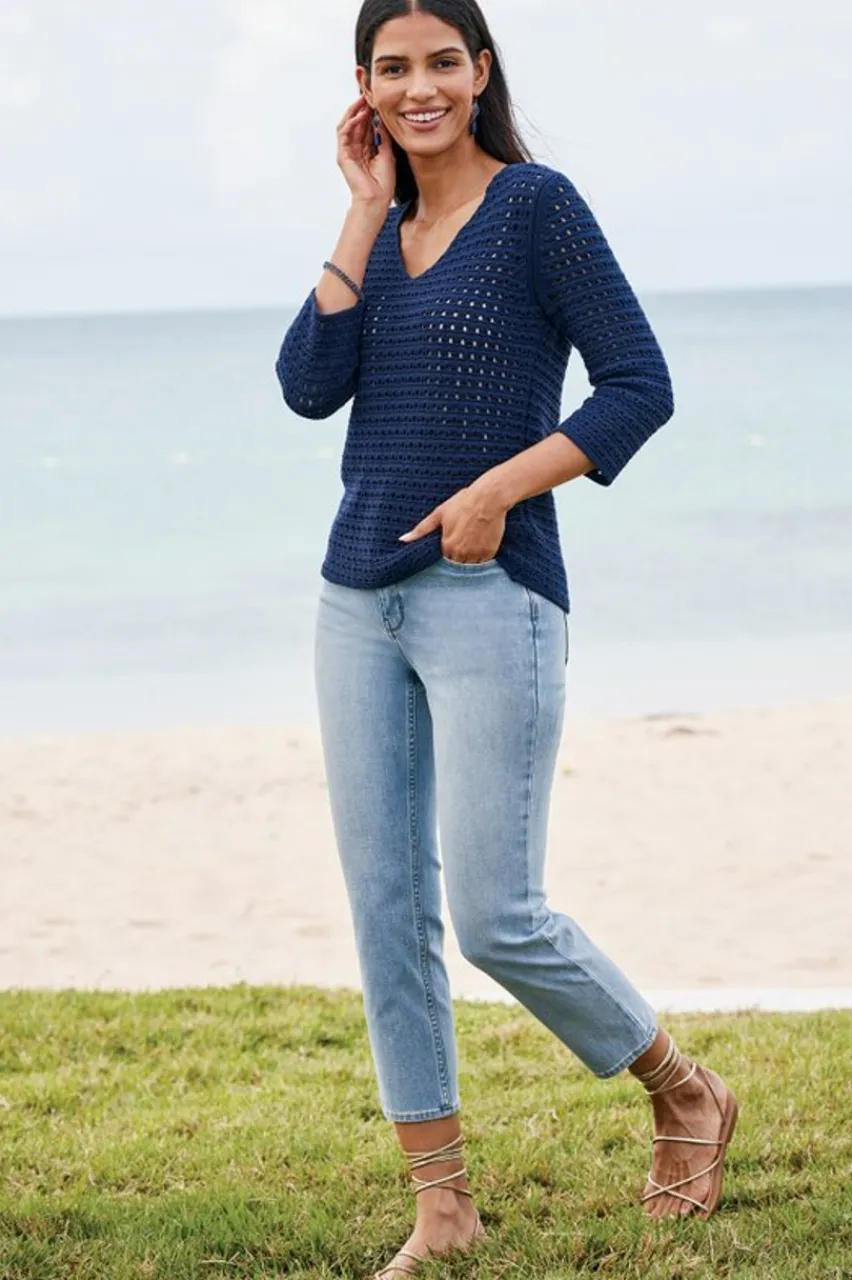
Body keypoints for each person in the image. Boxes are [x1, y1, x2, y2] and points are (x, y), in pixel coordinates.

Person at [275, 2, 738, 1275]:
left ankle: (684, 1087)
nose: (419, 86)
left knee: (495, 914)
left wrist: (499, 488)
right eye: (392, 68)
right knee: (386, 910)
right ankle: (444, 1206)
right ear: (365, 88)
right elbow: (308, 385)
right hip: (355, 602)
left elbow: (639, 385)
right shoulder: (383, 230)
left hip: (493, 595)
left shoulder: (537, 208)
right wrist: (362, 208)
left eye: (441, 61)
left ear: (480, 72)